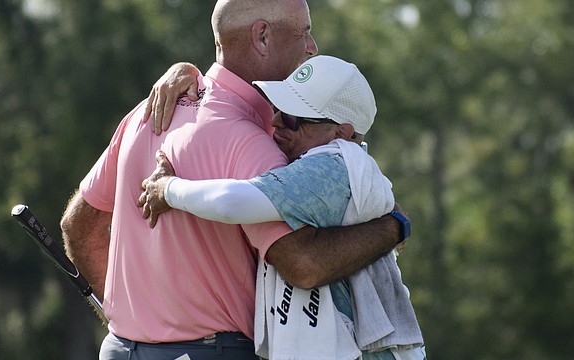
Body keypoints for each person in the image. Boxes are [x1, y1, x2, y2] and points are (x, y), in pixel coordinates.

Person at [60, 1, 405, 359]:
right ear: (262, 36)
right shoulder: (253, 146)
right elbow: (304, 264)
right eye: (303, 32)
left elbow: (78, 225)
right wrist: (394, 226)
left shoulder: (144, 114)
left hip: (119, 349)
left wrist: (131, 324)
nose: (312, 45)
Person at [140, 55, 426, 360]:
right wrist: (187, 72)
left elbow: (231, 203)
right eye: (278, 108)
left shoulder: (332, 164)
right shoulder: (350, 164)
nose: (275, 121)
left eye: (292, 118)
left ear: (341, 134)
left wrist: (167, 189)